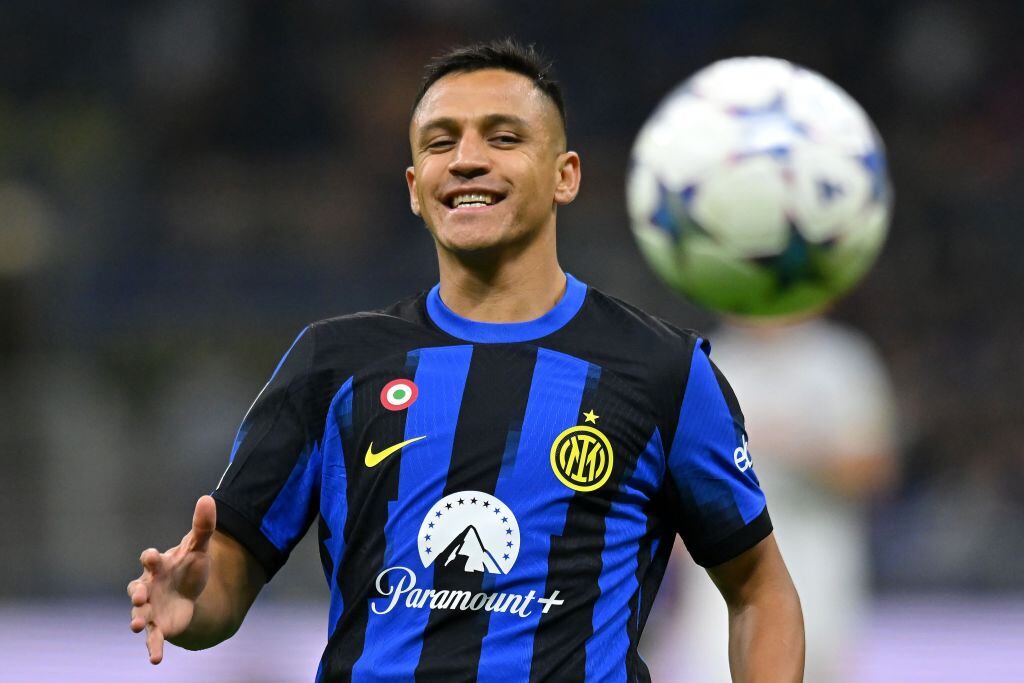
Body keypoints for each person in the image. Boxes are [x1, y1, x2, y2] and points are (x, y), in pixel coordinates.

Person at [127, 39, 804, 682]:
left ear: (566, 175)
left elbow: (758, 588)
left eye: (504, 138)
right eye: (440, 141)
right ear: (416, 186)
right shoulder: (331, 363)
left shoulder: (663, 370)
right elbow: (229, 576)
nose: (467, 159)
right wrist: (193, 601)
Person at [647, 318, 897, 682]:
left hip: (820, 574)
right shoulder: (707, 359)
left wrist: (798, 450)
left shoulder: (838, 361)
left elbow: (875, 471)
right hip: (721, 584)